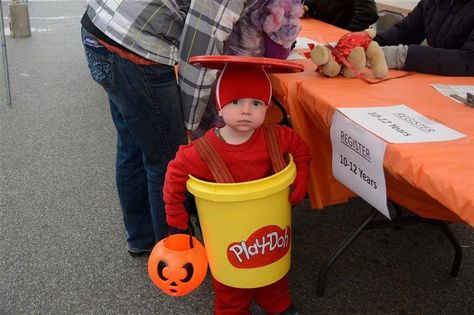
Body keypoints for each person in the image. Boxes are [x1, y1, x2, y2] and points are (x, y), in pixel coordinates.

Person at [163, 56, 311, 315]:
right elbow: (175, 174)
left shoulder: (276, 137)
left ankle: (277, 303)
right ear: (219, 107)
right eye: (235, 102)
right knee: (230, 284)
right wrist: (176, 217)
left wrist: (301, 178)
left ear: (266, 108)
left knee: (272, 273)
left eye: (256, 103)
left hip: (267, 230)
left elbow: (300, 149)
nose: (246, 110)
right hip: (227, 237)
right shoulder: (200, 153)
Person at [80, 2, 190, 256]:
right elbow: (202, 44)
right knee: (166, 159)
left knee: (131, 143)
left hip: (99, 26)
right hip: (136, 47)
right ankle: (173, 252)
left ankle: (143, 237)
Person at [178, 0, 304, 140]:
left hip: (216, 71)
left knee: (213, 133)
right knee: (232, 130)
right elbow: (277, 52)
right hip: (241, 72)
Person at [373, 0, 474, 76]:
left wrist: (401, 56)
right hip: (434, 82)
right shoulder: (431, 3)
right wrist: (373, 42)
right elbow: (407, 31)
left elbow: (469, 60)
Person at [302, 0, 379, 31]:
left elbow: (368, 13)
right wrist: (306, 8)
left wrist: (347, 34)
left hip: (339, 41)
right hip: (316, 32)